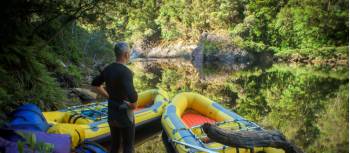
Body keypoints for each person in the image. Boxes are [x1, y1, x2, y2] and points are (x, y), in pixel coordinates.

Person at [91, 42, 138, 153]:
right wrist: (133, 105)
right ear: (126, 54)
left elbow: (95, 84)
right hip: (124, 113)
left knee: (115, 144)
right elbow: (132, 97)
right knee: (128, 146)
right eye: (129, 53)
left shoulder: (108, 69)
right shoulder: (126, 72)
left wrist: (108, 96)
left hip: (112, 111)